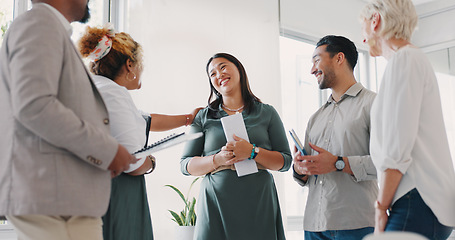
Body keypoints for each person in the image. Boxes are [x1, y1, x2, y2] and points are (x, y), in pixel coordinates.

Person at [0, 1, 136, 240]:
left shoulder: (47, 27)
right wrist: (106, 150)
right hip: (53, 200)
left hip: (61, 201)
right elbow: (34, 105)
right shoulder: (39, 24)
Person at [77, 25, 202, 240]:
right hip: (116, 196)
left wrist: (188, 119)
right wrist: (150, 163)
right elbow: (131, 162)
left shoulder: (94, 88)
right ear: (129, 65)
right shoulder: (115, 95)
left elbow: (146, 120)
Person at [360, 0, 455, 238]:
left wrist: (381, 206)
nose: (362, 37)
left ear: (375, 21)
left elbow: (398, 146)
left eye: (363, 26)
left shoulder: (405, 60)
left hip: (417, 197)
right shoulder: (410, 60)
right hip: (422, 200)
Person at [180, 53, 291, 240]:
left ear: (239, 69)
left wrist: (253, 152)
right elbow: (185, 165)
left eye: (223, 67)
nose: (219, 74)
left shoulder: (267, 113)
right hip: (216, 202)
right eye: (212, 74)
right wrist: (217, 159)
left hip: (259, 201)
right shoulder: (203, 117)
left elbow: (285, 162)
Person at [292, 35, 378, 240]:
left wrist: (338, 163)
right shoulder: (316, 118)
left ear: (339, 58)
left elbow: (388, 162)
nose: (312, 70)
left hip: (357, 224)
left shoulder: (374, 104)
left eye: (316, 60)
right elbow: (308, 174)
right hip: (314, 224)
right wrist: (300, 168)